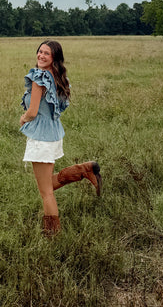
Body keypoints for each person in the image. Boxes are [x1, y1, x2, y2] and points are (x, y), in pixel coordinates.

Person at [19, 40, 102, 236]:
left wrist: (23, 119)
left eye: (46, 53)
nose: (41, 55)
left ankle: (52, 235)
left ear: (54, 57)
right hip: (53, 134)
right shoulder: (57, 76)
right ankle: (84, 169)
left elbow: (31, 112)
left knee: (45, 192)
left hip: (41, 137)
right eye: (40, 51)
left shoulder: (39, 77)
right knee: (47, 183)